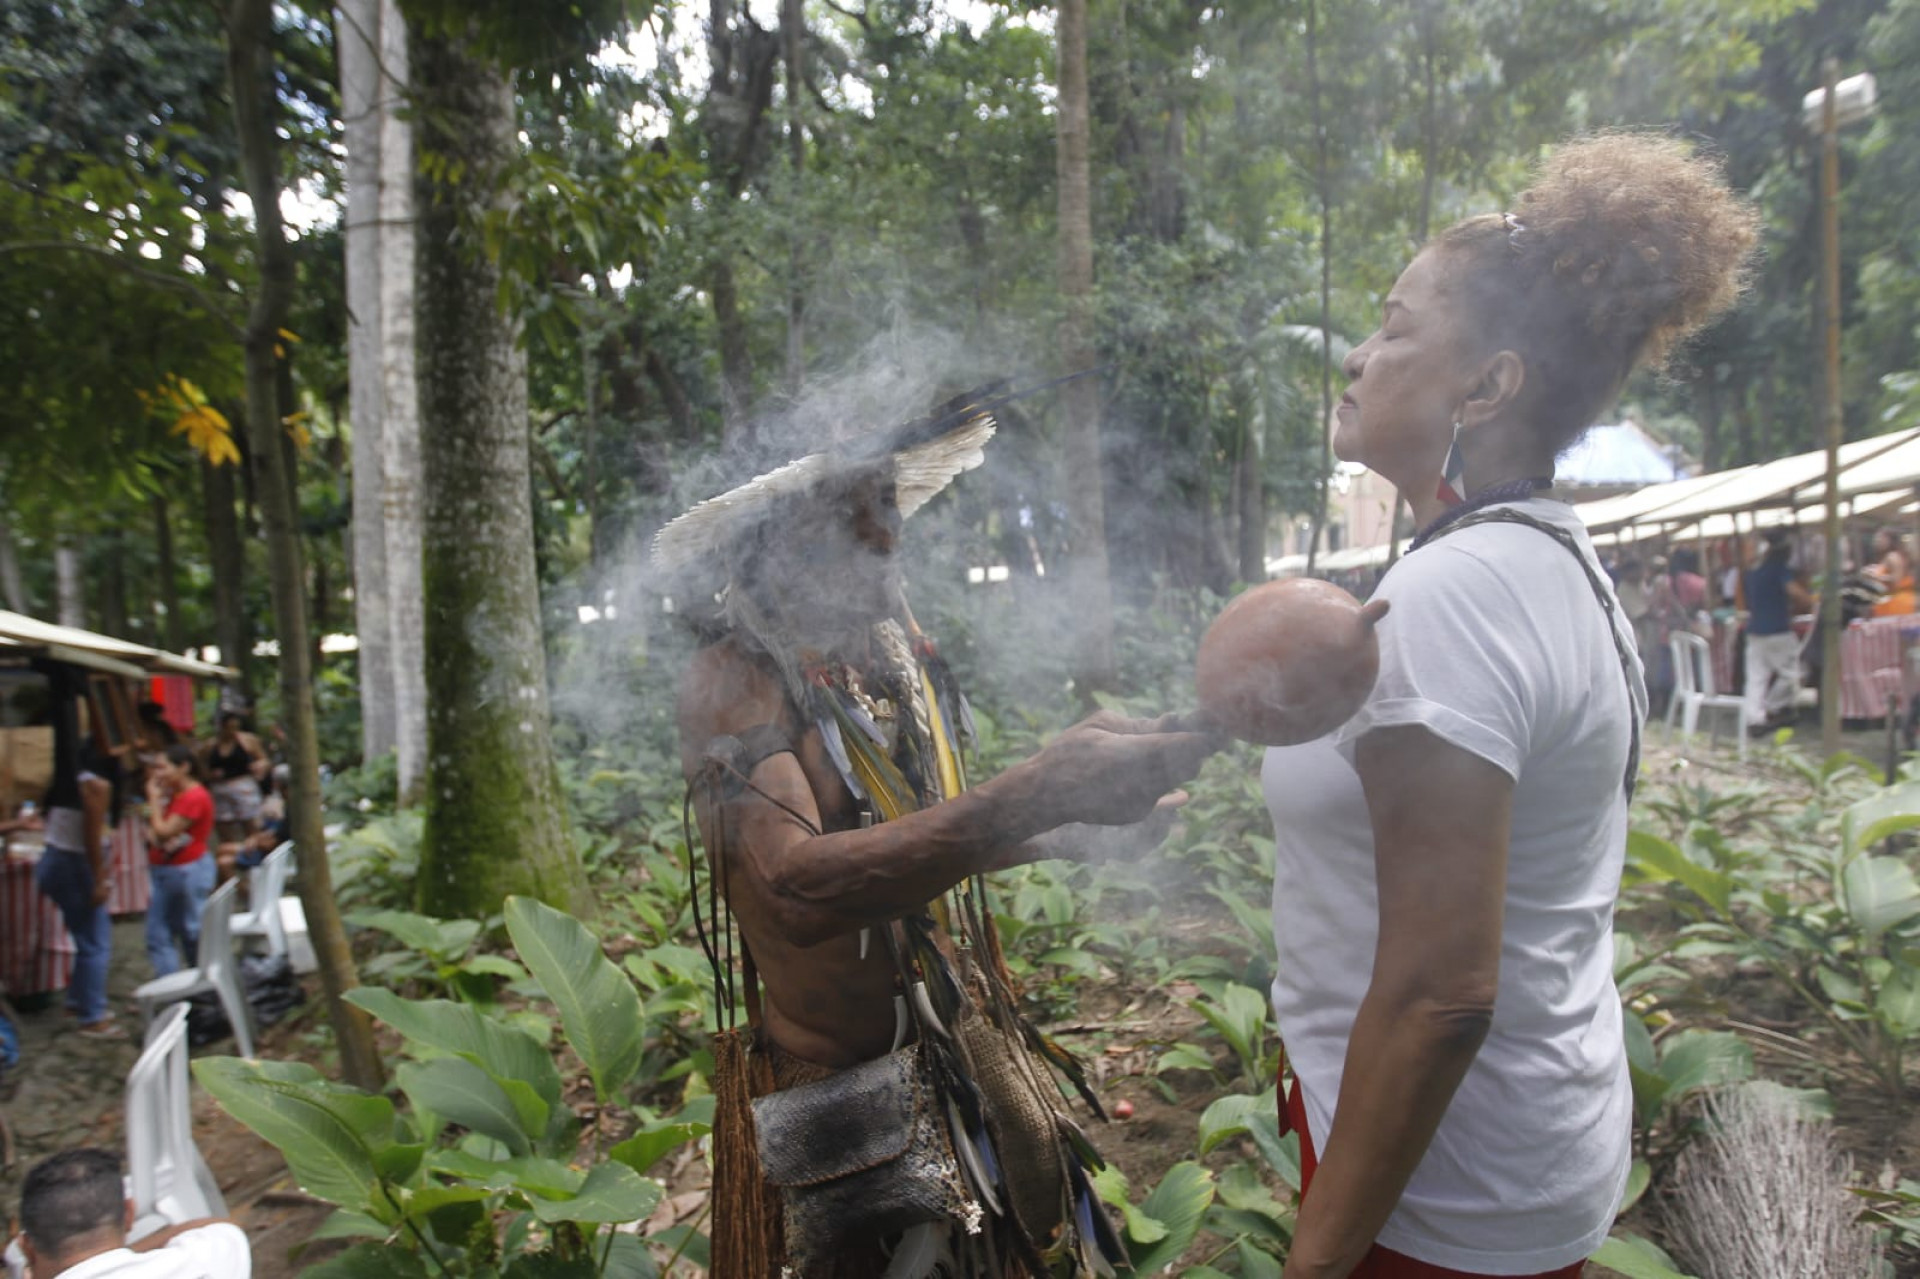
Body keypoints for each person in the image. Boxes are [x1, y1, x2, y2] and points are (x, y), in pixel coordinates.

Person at [1263, 135, 1755, 1279]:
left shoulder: (1454, 596)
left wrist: (1315, 1263)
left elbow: (1440, 994)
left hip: (1437, 1191)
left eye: (1394, 326)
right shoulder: (1539, 560)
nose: (1357, 353)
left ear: (1486, 386)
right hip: (1514, 1152)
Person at [658, 394, 1216, 1277]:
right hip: (834, 1093)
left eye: (888, 506)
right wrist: (1037, 790)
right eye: (855, 515)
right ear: (775, 540)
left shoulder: (884, 651)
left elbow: (914, 842)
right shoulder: (733, 680)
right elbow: (800, 890)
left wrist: (1070, 828)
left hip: (953, 1049)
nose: (887, 536)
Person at [35, 674, 124, 1041]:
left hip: (55, 860)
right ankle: (93, 1015)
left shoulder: (69, 776)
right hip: (74, 864)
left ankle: (78, 999)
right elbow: (90, 836)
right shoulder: (95, 785)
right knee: (95, 942)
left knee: (83, 936)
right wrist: (100, 876)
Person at [11, 1147, 249, 1277]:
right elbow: (220, 1226)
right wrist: (118, 1255)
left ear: (27, 1248)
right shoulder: (207, 1262)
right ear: (128, 1213)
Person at [143, 745, 215, 977]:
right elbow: (155, 834)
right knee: (165, 932)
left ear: (183, 767)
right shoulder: (177, 795)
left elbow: (162, 832)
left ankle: (197, 985)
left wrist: (152, 799)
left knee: (189, 932)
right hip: (171, 871)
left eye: (162, 767)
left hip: (185, 871)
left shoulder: (193, 797)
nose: (157, 774)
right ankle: (178, 985)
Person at [1742, 528, 1812, 734]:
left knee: (1756, 678)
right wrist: (1810, 599)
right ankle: (1773, 706)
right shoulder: (1778, 569)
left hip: (1755, 631)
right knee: (1795, 673)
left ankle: (1754, 719)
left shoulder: (1752, 572)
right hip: (1777, 631)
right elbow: (1797, 594)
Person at [201, 714, 265, 847]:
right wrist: (210, 775)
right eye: (228, 728)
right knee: (223, 825)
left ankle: (253, 851)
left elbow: (263, 759)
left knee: (250, 823)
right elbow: (201, 768)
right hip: (219, 788)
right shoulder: (210, 745)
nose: (232, 731)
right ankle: (229, 853)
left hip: (243, 785)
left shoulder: (247, 741)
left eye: (235, 727)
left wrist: (259, 766)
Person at [1866, 528, 1916, 617]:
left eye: (1880, 539)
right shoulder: (1886, 557)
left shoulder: (1893, 557)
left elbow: (1896, 581)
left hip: (1897, 602)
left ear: (1889, 540)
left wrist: (1875, 577)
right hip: (1887, 601)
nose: (1877, 542)